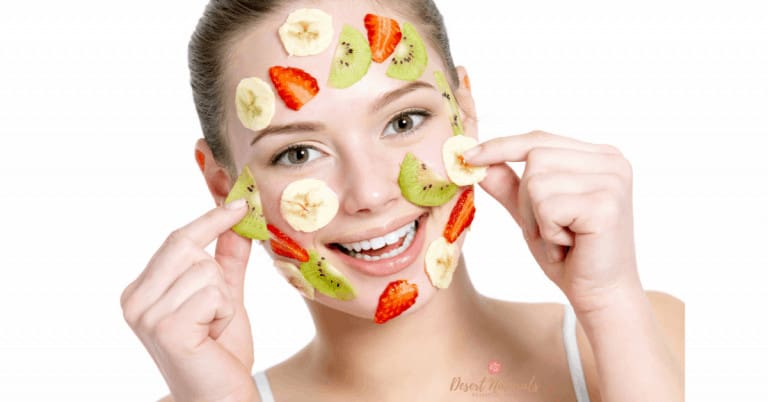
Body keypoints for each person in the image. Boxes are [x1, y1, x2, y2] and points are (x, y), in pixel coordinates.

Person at [120, 0, 684, 400]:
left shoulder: (657, 333)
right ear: (225, 186)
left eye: (405, 120)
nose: (369, 193)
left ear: (465, 111)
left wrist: (610, 302)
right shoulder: (205, 397)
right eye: (297, 154)